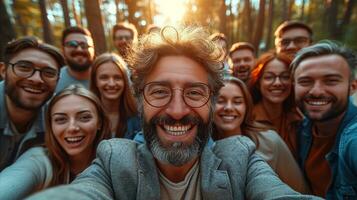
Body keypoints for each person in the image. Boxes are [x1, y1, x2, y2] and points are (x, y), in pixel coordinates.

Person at [28, 26, 321, 200]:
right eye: (159, 91)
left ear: (212, 102)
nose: (178, 111)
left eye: (195, 92)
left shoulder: (241, 158)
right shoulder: (113, 160)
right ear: (140, 100)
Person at [0, 84, 110, 199]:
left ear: (99, 123)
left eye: (84, 117)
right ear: (51, 125)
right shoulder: (39, 159)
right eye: (61, 119)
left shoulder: (112, 162)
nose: (72, 128)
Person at [213, 76, 309, 193]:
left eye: (237, 102)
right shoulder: (200, 146)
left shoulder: (270, 140)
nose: (228, 107)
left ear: (247, 107)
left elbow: (299, 188)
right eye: (220, 101)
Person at [291, 41, 357, 199]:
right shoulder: (303, 128)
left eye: (331, 81)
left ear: (352, 87)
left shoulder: (353, 141)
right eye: (305, 81)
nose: (316, 91)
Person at [0, 36, 64, 170]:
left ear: (58, 80)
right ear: (3, 70)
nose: (36, 79)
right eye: (24, 67)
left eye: (48, 73)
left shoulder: (60, 118)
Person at [250, 51, 302, 157]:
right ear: (258, 83)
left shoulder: (299, 118)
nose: (278, 83)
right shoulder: (248, 120)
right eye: (269, 77)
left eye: (285, 76)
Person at [89, 53, 140, 139]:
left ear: (125, 82)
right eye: (104, 78)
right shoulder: (86, 117)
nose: (111, 84)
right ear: (95, 82)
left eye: (117, 78)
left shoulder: (138, 117)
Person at [56, 26, 95, 92]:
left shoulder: (107, 79)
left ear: (93, 49)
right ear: (63, 49)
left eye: (84, 45)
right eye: (72, 44)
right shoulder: (54, 79)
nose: (79, 49)